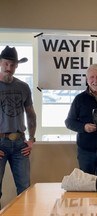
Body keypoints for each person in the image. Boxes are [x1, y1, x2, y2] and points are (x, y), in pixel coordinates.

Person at [0, 46, 37, 201]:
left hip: (20, 143)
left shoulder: (23, 86)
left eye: (13, 65)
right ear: (1, 63)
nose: (9, 68)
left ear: (16, 66)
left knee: (24, 189)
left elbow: (30, 114)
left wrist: (31, 139)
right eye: (6, 64)